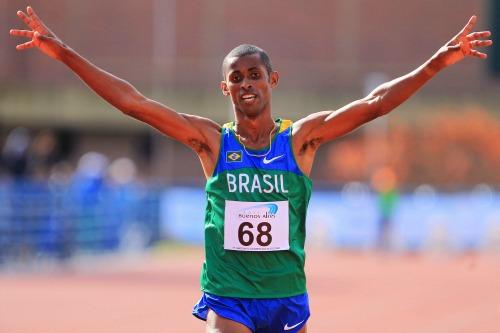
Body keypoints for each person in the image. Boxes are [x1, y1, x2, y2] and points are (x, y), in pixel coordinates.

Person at [10, 6, 492, 333]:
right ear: (225, 89)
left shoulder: (301, 139)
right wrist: (65, 54)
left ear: (272, 80)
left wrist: (436, 63)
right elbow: (134, 103)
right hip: (229, 295)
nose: (246, 84)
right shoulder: (210, 142)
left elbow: (374, 105)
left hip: (285, 294)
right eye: (235, 78)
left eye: (254, 75)